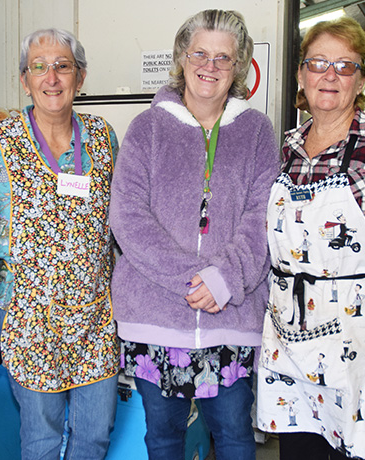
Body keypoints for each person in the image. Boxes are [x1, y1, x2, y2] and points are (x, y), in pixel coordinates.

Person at [256, 17, 365, 460]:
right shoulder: (285, 149)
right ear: (301, 76)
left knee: (354, 450)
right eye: (318, 63)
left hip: (360, 337)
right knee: (298, 449)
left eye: (345, 65)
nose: (330, 75)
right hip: (289, 334)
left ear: (360, 81)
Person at [110, 9, 280, 460]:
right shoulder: (146, 129)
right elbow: (127, 216)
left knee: (234, 436)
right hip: (156, 317)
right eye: (200, 54)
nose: (210, 66)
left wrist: (224, 280)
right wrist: (194, 280)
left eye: (223, 57)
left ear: (238, 66)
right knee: (163, 438)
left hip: (231, 319)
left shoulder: (258, 132)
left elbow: (263, 217)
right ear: (181, 58)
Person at [0, 28, 120, 460]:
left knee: (96, 432)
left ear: (81, 77)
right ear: (25, 80)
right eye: (39, 67)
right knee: (41, 437)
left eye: (63, 66)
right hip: (28, 315)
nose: (51, 78)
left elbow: (120, 216)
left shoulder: (103, 136)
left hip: (95, 313)